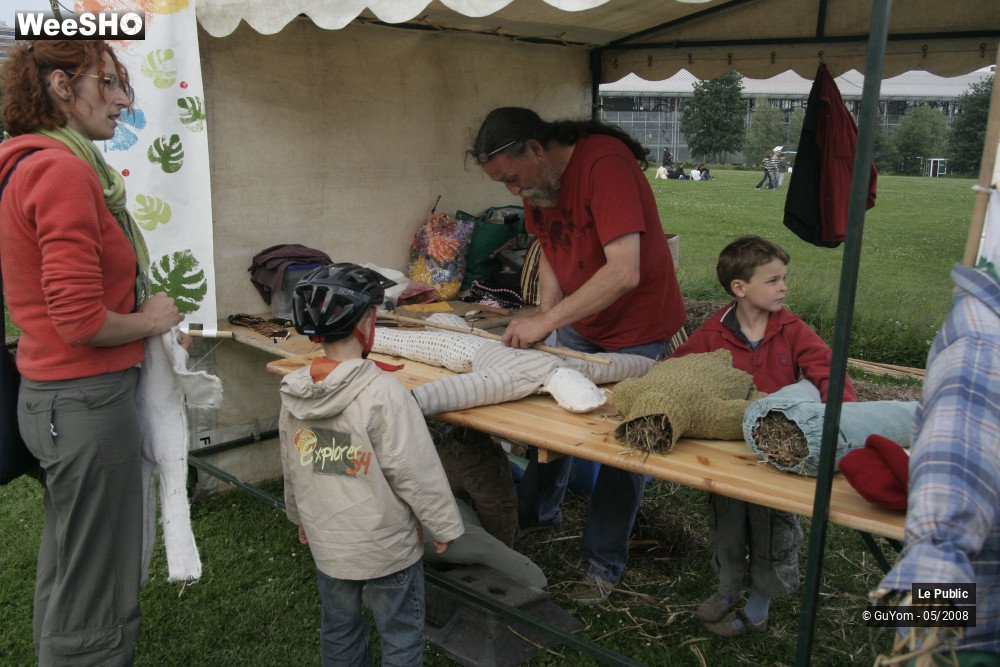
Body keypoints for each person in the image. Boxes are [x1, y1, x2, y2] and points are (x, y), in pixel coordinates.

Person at [0, 41, 185, 664]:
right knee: (100, 579)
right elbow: (78, 320)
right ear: (59, 86)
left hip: (57, 399)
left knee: (73, 568)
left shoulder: (23, 163)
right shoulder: (61, 170)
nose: (124, 100)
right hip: (83, 400)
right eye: (107, 83)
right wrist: (150, 318)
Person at [468, 107, 686, 604]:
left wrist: (549, 322)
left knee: (622, 444)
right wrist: (548, 316)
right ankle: (539, 511)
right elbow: (552, 251)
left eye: (512, 177)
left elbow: (625, 270)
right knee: (555, 420)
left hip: (638, 327)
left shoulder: (603, 164)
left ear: (537, 150)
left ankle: (603, 563)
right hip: (582, 322)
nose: (511, 191)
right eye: (500, 183)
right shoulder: (538, 186)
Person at [279, 263, 464, 665]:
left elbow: (292, 463)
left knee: (339, 629)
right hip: (387, 548)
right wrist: (443, 524)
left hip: (330, 545)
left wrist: (299, 519)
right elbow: (414, 470)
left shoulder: (295, 393)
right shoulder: (383, 392)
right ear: (367, 322)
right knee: (399, 632)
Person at [671, 235, 856, 636]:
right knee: (726, 524)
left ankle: (758, 607)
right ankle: (726, 590)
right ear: (740, 288)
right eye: (772, 280)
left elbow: (830, 373)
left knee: (774, 528)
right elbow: (679, 373)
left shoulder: (793, 330)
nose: (783, 287)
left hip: (779, 452)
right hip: (727, 453)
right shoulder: (712, 332)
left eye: (783, 278)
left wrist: (844, 420)